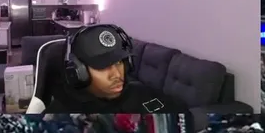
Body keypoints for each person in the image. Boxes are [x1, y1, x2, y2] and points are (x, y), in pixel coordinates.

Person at [43, 25, 185, 114]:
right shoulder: (60, 112)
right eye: (103, 66)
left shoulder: (144, 94)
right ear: (79, 72)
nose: (117, 75)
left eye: (119, 62)